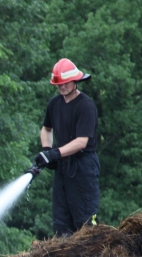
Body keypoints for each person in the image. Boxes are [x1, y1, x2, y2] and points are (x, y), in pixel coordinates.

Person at [34, 58, 100, 236]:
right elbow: (46, 129)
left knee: (85, 222)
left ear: (75, 81)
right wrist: (47, 150)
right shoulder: (54, 104)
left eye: (65, 83)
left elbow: (81, 142)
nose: (62, 87)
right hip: (63, 168)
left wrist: (55, 154)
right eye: (58, 84)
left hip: (83, 168)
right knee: (61, 222)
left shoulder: (86, 106)